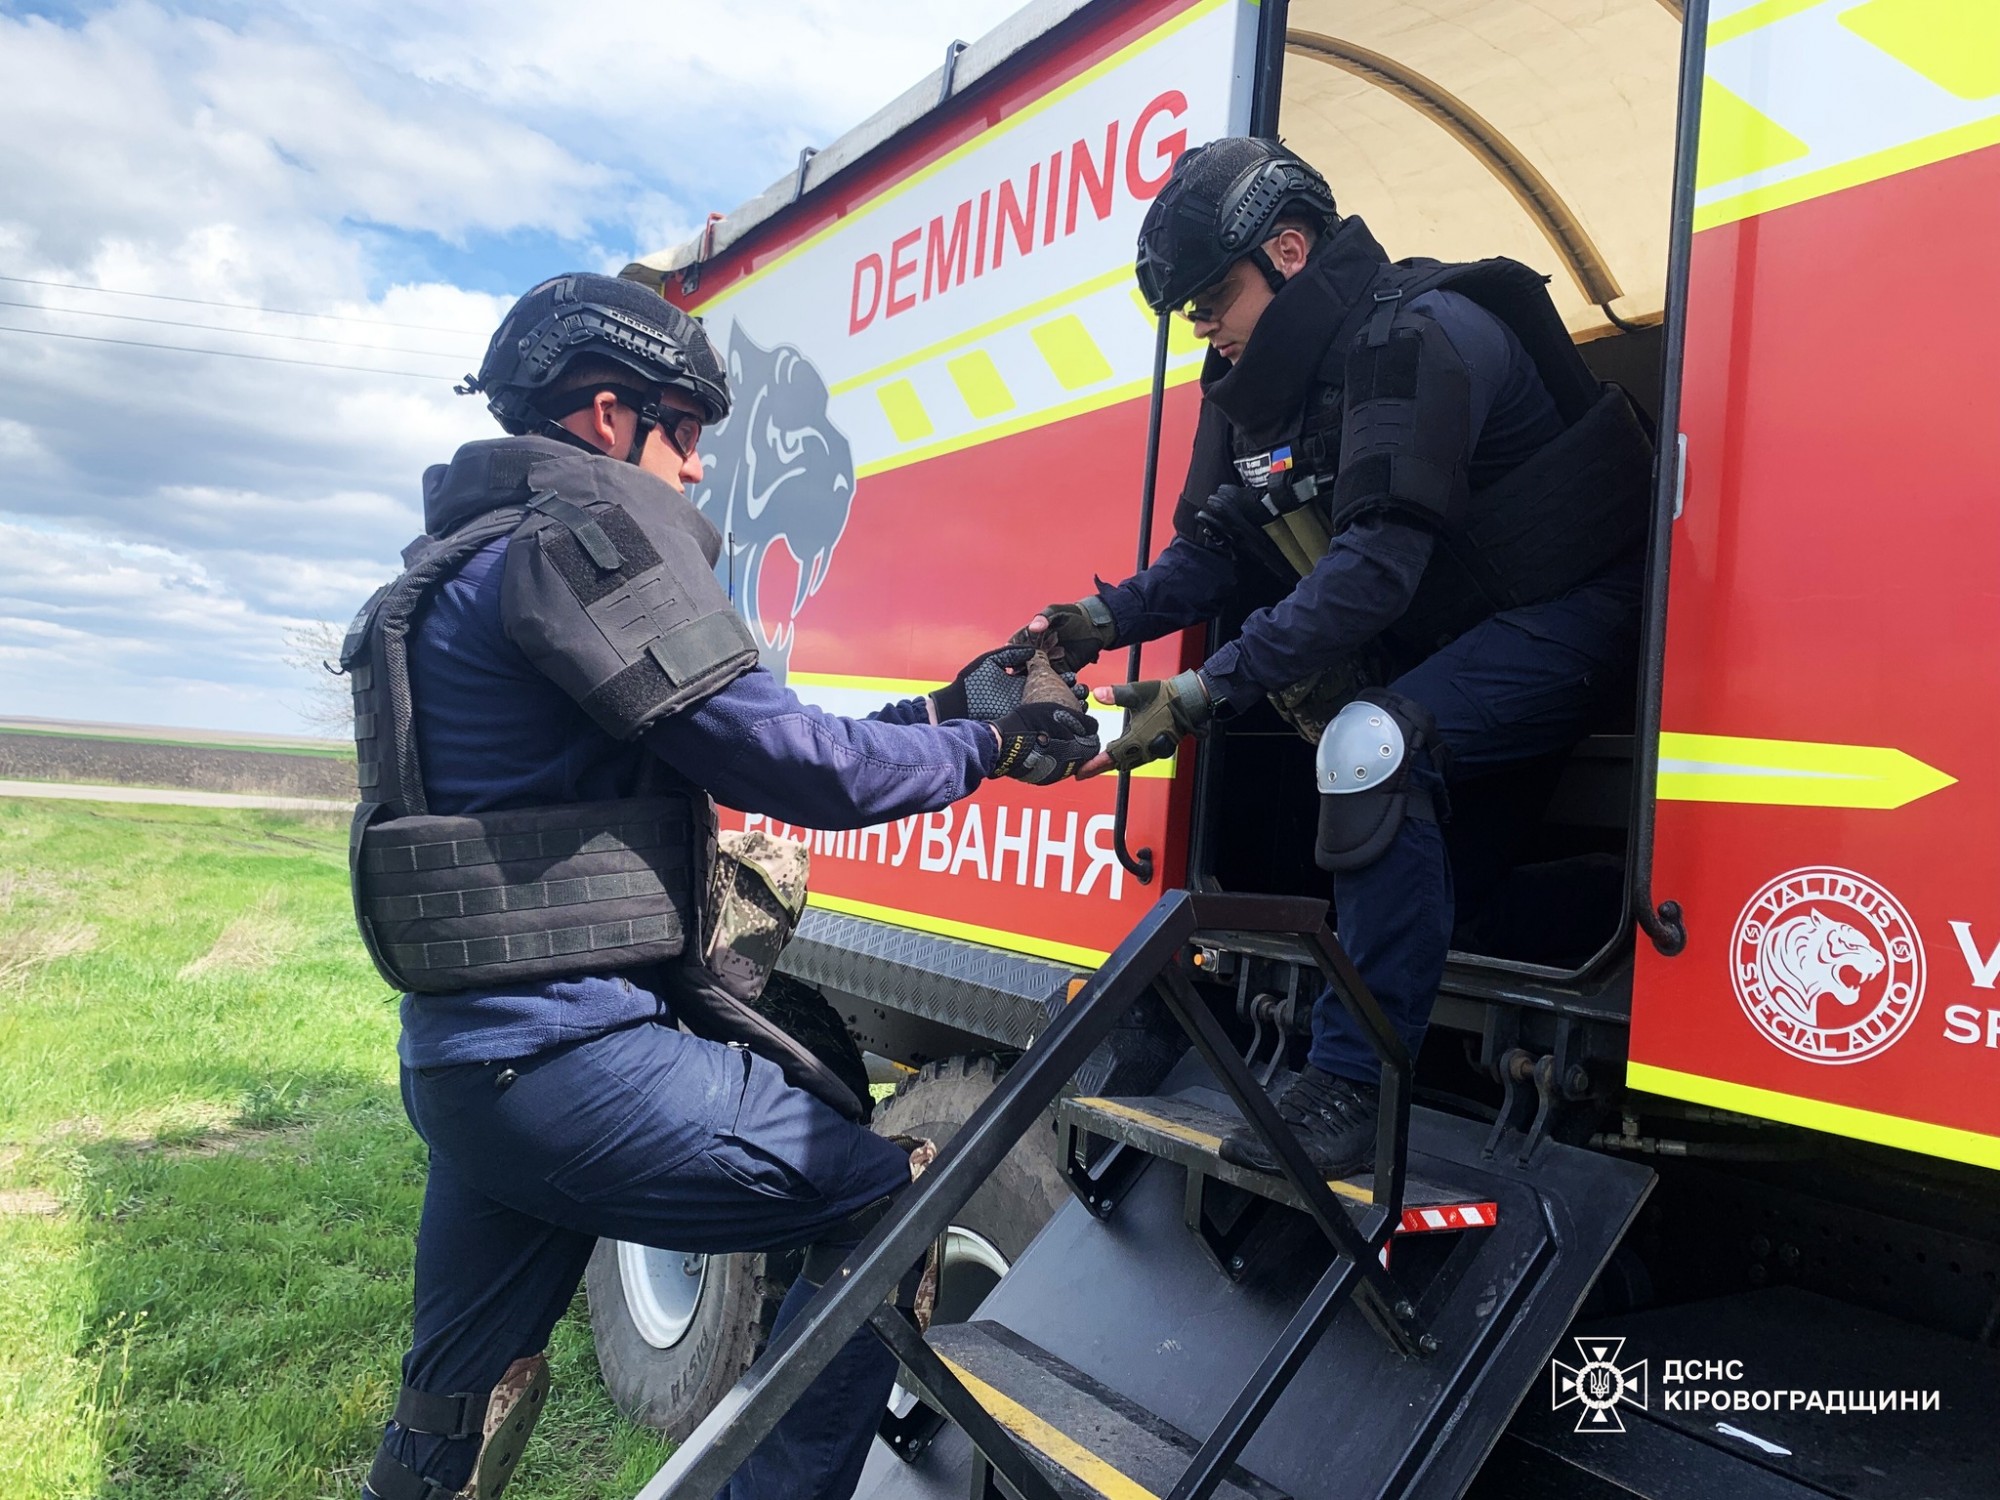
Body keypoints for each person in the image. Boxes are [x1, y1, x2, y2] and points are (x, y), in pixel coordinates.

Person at [347, 272, 1099, 1500]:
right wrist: (992, 745)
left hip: (468, 1072)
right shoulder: (578, 544)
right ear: (607, 417)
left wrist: (944, 711)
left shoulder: (461, 570)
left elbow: (742, 737)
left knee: (453, 1415)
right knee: (884, 1207)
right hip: (572, 1062)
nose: (698, 470)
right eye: (685, 432)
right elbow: (794, 767)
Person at [1022, 138, 1651, 1178]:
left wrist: (1197, 694)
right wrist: (1092, 621)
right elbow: (1211, 555)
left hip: (1575, 612)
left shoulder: (1420, 333)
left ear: (1289, 249)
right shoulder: (1252, 389)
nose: (1203, 325)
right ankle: (1604, 894)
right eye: (1188, 311)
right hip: (1473, 636)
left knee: (1368, 744)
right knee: (1449, 907)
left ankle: (1349, 1086)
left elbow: (1372, 573)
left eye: (1213, 297)